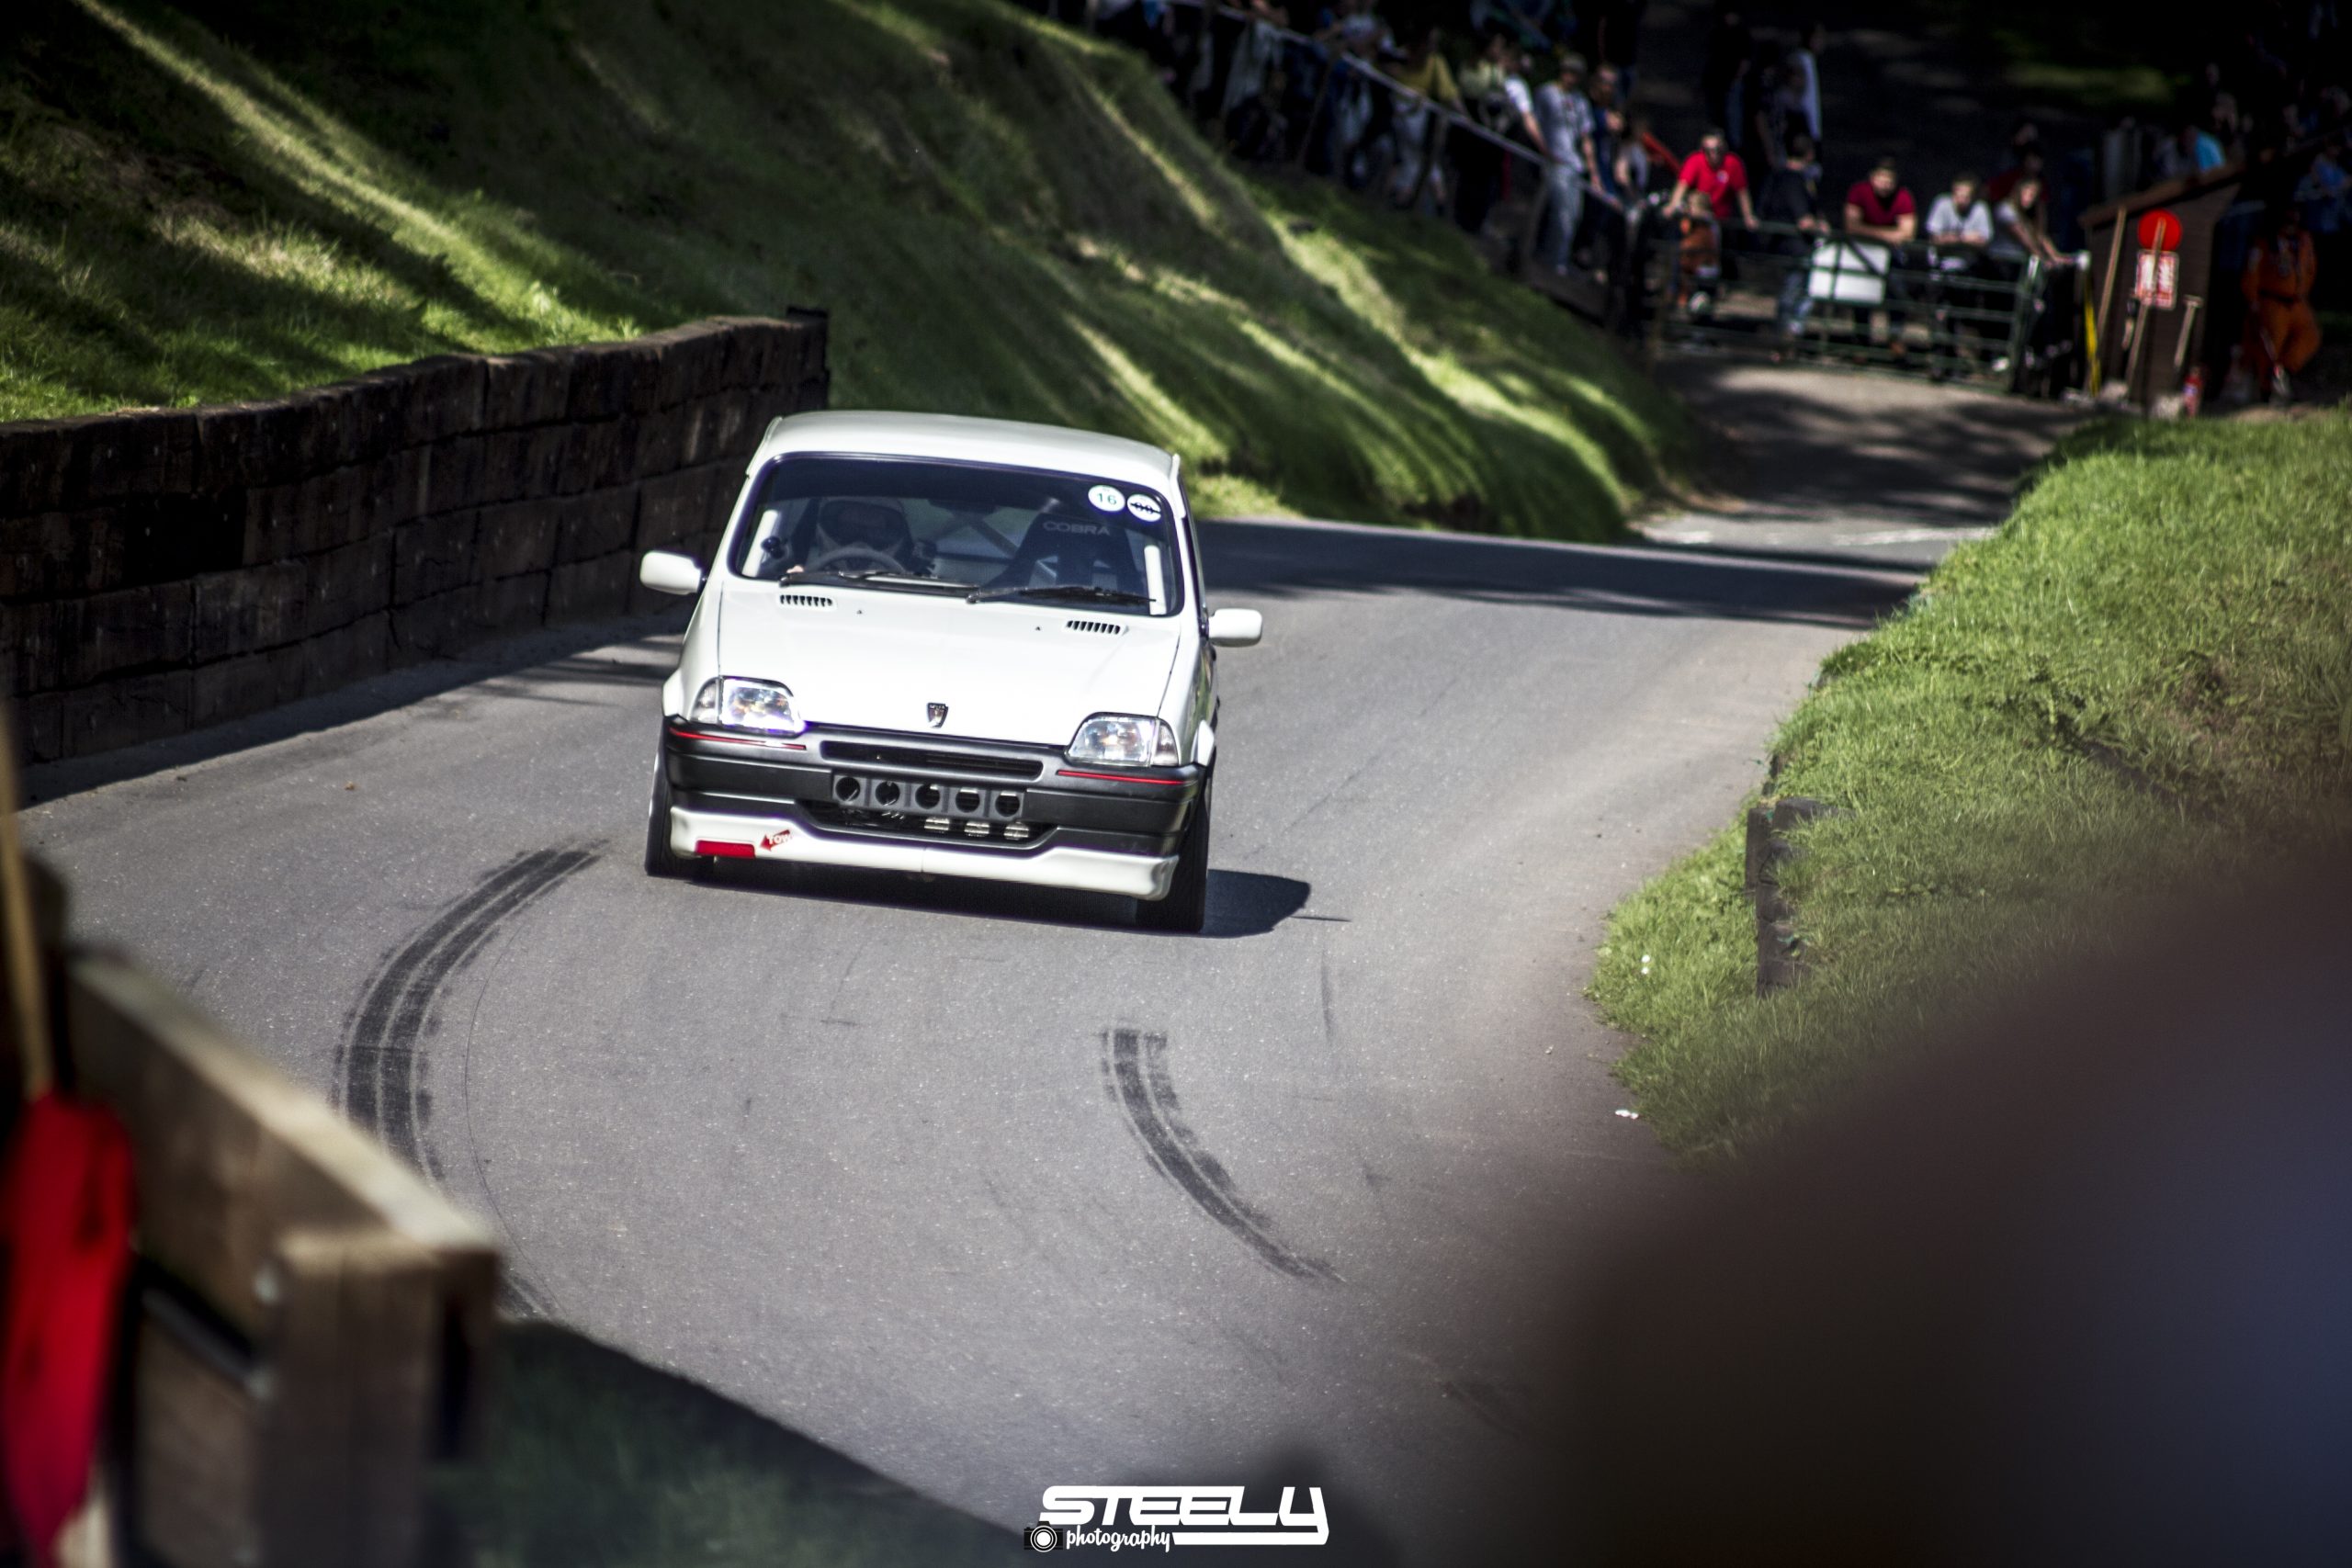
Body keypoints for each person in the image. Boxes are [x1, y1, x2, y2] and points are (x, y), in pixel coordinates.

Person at [2241, 204, 2321, 399]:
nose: (2293, 218)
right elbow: (2251, 274)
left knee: (2310, 336)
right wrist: (2253, 301)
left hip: (2297, 301)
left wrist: (2303, 292)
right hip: (2273, 301)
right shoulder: (2265, 243)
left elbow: (2310, 270)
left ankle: (2284, 370)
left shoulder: (2304, 241)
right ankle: (2266, 390)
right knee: (2270, 346)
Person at [1756, 131, 1829, 340]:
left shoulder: (1777, 176)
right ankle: (1785, 337)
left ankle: (1786, 336)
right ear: (1809, 154)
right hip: (1796, 247)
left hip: (1780, 243)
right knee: (1795, 293)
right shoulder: (1795, 180)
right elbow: (1804, 221)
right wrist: (1822, 227)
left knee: (1791, 292)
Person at [1533, 51, 1601, 270]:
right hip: (1554, 161)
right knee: (1559, 214)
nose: (1571, 77)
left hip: (1574, 165)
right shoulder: (1546, 93)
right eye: (1568, 72)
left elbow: (1586, 138)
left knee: (1573, 215)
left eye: (1576, 74)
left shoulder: (1580, 102)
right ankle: (1551, 260)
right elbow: (1534, 124)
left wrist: (1593, 172)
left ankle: (1558, 259)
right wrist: (1544, 151)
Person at [1670, 126, 1757, 228]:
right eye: (1708, 150)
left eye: (1717, 150)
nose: (1713, 155)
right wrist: (1672, 206)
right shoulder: (1695, 160)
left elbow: (1742, 192)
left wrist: (1748, 216)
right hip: (1697, 219)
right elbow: (1682, 186)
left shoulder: (1733, 163)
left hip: (1722, 221)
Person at [1992, 174, 2067, 265]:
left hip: (2018, 262)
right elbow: (2025, 240)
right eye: (2026, 193)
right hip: (2004, 261)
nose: (2029, 198)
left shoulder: (2023, 214)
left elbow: (2039, 236)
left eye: (2033, 195)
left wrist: (2055, 255)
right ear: (2018, 190)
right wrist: (2044, 260)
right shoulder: (2006, 209)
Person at [1843, 157, 1917, 243]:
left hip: (1891, 247)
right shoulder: (1858, 191)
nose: (1884, 186)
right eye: (1881, 180)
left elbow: (1907, 234)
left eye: (1889, 182)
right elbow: (1851, 227)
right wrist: (1888, 235)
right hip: (1859, 243)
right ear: (1872, 177)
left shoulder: (1903, 196)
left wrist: (1865, 231)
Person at [1786, 21, 1826, 146]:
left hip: (1811, 128)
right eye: (1818, 38)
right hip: (1802, 129)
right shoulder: (1800, 59)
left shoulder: (1810, 60)